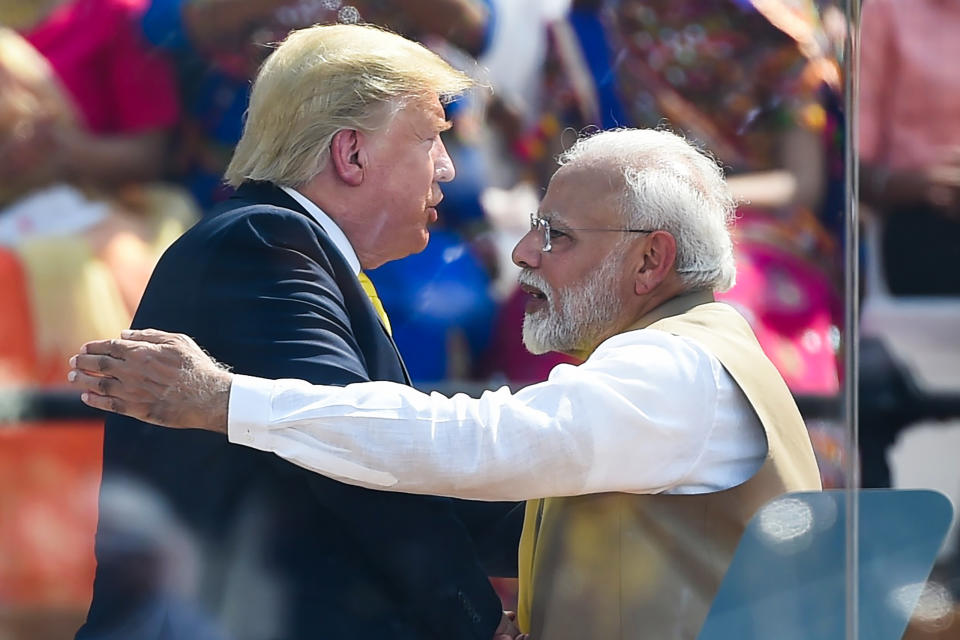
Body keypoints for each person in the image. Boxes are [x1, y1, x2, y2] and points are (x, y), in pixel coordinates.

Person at [69, 128, 823, 639]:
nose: (525, 253)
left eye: (558, 233)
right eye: (534, 226)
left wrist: (225, 399)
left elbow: (474, 445)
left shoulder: (675, 370)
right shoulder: (685, 355)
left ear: (651, 263)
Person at [70, 23, 522, 640]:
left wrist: (568, 528)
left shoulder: (285, 245)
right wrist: (477, 619)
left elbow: (393, 459)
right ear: (351, 153)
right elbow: (358, 460)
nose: (446, 169)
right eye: (430, 139)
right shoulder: (261, 244)